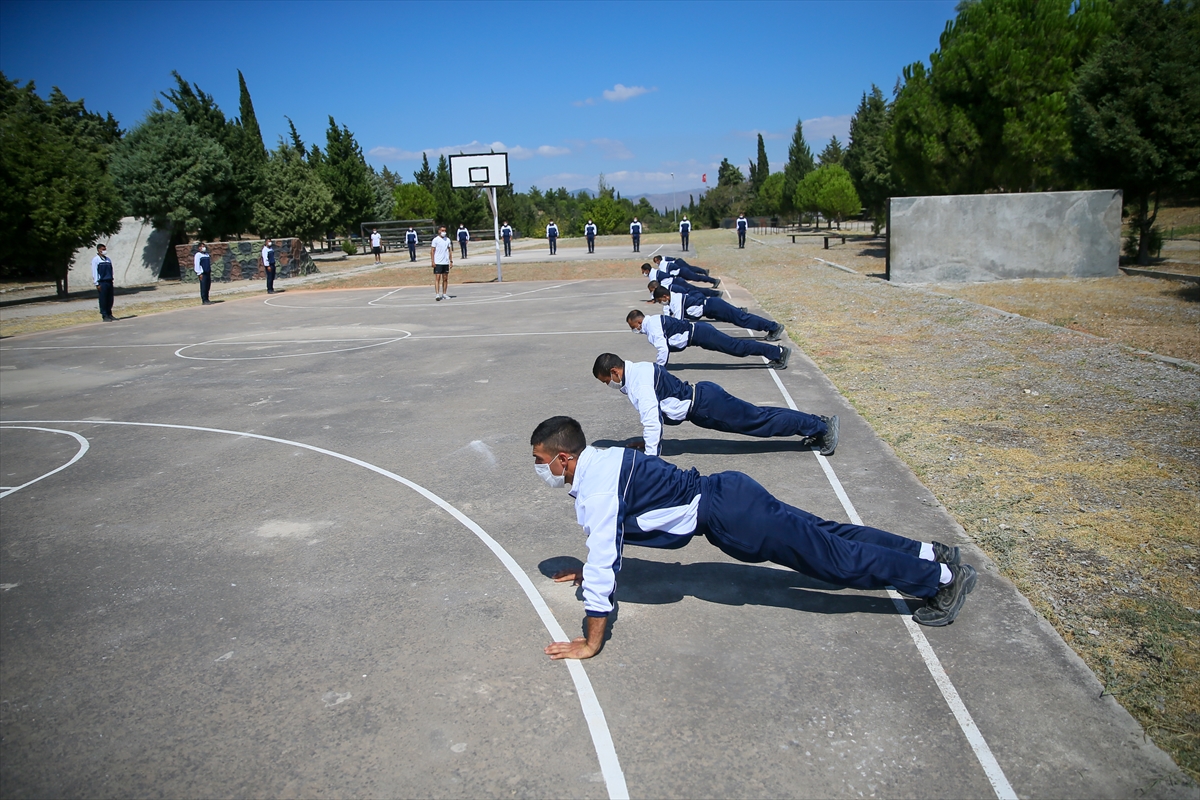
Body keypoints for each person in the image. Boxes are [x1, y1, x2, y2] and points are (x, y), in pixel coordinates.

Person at [531, 416, 976, 660]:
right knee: (829, 534)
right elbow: (607, 547)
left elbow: (607, 559)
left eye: (540, 460)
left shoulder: (597, 491)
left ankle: (940, 581)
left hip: (733, 516)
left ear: (563, 457)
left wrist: (591, 641)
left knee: (835, 561)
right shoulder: (604, 458)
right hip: (732, 491)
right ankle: (928, 553)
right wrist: (589, 566)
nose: (539, 468)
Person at [592, 353, 838, 456]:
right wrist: (647, 442)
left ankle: (822, 428)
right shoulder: (639, 370)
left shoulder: (639, 384)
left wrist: (649, 459)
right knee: (760, 416)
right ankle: (815, 424)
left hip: (707, 406)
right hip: (706, 398)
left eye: (607, 381)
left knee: (760, 421)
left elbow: (652, 419)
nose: (608, 385)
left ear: (615, 371)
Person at [627, 309, 790, 369]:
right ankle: (776, 352)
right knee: (736, 347)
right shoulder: (653, 321)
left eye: (633, 326)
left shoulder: (653, 328)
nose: (634, 329)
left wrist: (659, 368)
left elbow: (663, 349)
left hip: (700, 334)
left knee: (737, 348)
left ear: (639, 322)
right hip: (699, 333)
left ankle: (778, 352)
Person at [651, 284, 784, 341]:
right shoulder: (673, 298)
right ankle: (770, 327)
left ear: (665, 297)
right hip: (712, 310)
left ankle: (774, 327)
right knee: (740, 319)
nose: (660, 303)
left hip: (713, 306)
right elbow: (669, 313)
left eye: (659, 300)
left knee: (742, 319)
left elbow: (679, 322)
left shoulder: (676, 301)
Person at [644, 257, 720, 287]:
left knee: (697, 277)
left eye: (656, 261)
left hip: (682, 271)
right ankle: (709, 276)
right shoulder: (662, 263)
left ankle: (714, 280)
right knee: (694, 274)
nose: (656, 262)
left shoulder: (663, 265)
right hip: (680, 272)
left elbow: (666, 274)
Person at [90, 243, 115, 321]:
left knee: (110, 299)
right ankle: (104, 315)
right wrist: (97, 283)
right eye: (103, 249)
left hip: (109, 281)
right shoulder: (96, 260)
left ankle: (109, 313)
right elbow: (95, 272)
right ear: (99, 250)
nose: (104, 251)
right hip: (102, 282)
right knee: (103, 299)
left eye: (105, 249)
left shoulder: (108, 260)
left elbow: (111, 270)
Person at [645, 278, 720, 302]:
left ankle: (715, 294)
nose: (651, 292)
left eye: (651, 290)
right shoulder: (661, 288)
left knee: (696, 291)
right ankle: (715, 294)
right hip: (678, 285)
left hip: (679, 284)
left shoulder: (665, 288)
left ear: (655, 287)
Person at [431, 226, 453, 300]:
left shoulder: (447, 240)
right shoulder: (435, 240)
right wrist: (433, 261)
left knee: (445, 278)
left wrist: (451, 261)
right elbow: (432, 251)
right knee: (437, 278)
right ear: (439, 231)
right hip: (438, 262)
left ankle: (444, 294)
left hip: (445, 262)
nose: (444, 232)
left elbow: (449, 250)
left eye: (445, 230)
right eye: (442, 230)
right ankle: (437, 294)